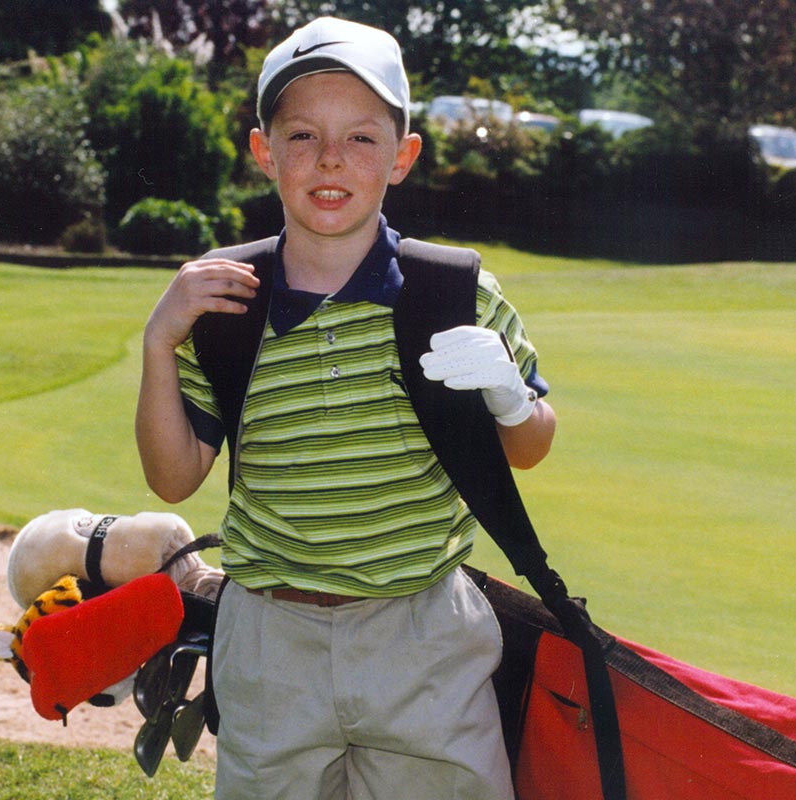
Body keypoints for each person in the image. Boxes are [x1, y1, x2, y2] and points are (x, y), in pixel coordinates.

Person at [135, 16, 555, 800]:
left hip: (424, 634)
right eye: (302, 136)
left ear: (403, 156)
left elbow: (530, 445)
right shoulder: (225, 301)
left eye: (362, 139)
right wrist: (160, 341)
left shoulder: (458, 291)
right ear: (264, 151)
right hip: (271, 640)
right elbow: (172, 478)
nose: (331, 161)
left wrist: (507, 398)